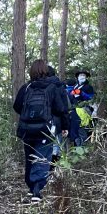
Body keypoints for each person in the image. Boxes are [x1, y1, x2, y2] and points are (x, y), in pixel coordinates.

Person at [13, 60, 70, 202]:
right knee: (43, 157)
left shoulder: (26, 87)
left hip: (27, 130)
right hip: (45, 129)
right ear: (45, 70)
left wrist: (29, 116)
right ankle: (37, 191)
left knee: (30, 158)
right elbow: (60, 109)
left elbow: (17, 106)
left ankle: (31, 188)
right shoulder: (52, 87)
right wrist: (64, 126)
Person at [66, 69, 96, 146]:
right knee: (75, 129)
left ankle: (83, 147)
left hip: (84, 110)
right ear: (77, 77)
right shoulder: (75, 86)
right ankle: (77, 147)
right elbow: (70, 96)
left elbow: (91, 98)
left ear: (86, 77)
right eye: (80, 75)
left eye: (84, 75)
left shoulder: (88, 87)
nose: (82, 77)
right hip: (74, 110)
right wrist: (71, 94)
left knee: (82, 129)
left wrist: (81, 93)